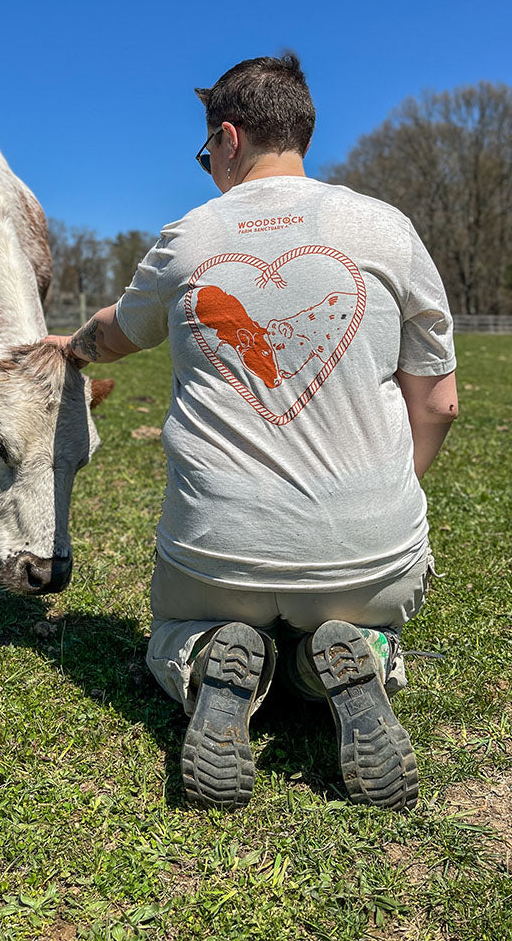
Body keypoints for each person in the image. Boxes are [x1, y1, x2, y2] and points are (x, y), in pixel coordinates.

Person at [44, 54, 457, 811]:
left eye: (207, 155)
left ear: (228, 138)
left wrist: (70, 346)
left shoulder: (188, 238)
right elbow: (439, 404)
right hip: (369, 556)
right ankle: (351, 657)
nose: (209, 170)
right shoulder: (388, 230)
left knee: (173, 631)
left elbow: (116, 333)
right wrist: (388, 488)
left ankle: (208, 654)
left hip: (219, 552)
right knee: (361, 612)